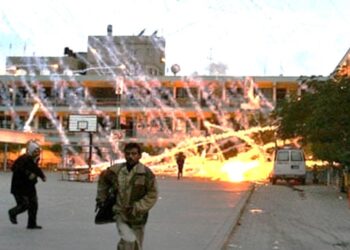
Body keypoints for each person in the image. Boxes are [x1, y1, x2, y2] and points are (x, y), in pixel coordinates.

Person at [96, 142, 158, 250]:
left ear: (139, 156)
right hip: (120, 213)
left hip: (138, 217)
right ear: (124, 155)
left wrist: (137, 207)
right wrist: (102, 197)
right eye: (128, 153)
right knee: (129, 240)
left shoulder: (146, 174)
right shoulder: (116, 171)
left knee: (136, 246)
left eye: (134, 154)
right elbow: (103, 180)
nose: (130, 156)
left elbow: (152, 194)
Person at [8, 140, 46, 229]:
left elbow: (36, 169)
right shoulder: (23, 159)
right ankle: (12, 212)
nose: (37, 153)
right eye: (35, 151)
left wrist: (42, 176)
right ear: (31, 150)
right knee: (24, 205)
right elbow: (15, 168)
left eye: (38, 151)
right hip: (19, 187)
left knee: (34, 204)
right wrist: (28, 174)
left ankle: (31, 224)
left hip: (30, 186)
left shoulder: (35, 159)